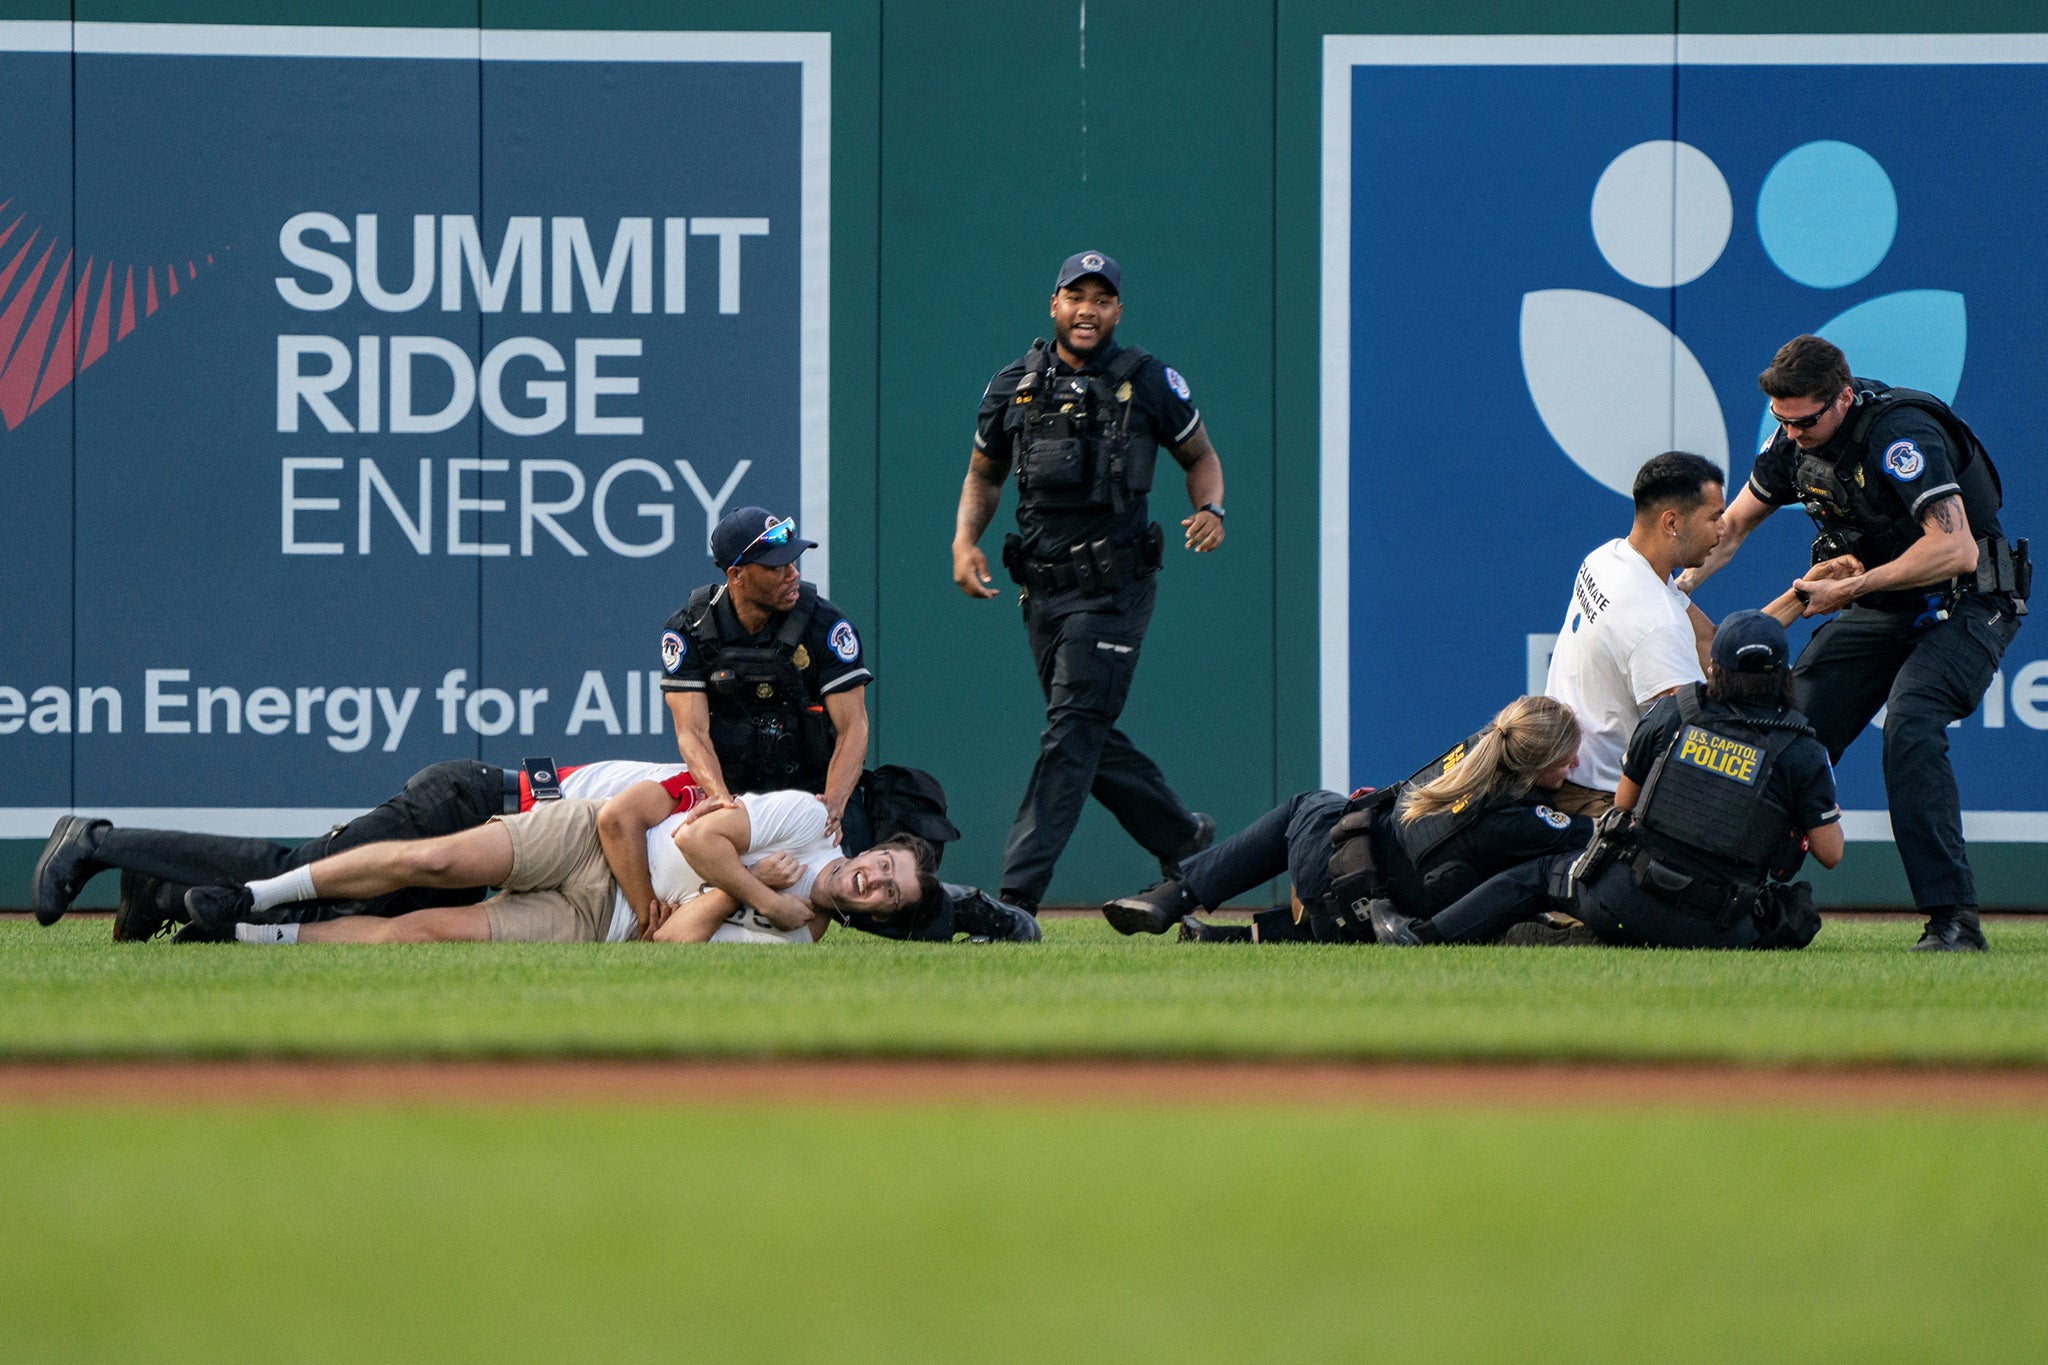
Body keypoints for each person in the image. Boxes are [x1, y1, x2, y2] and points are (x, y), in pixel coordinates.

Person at [1676, 335, 2027, 951]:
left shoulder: (1901, 434)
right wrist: (1674, 584)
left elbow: (1955, 547)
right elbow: (1729, 528)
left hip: (1968, 602)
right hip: (1881, 604)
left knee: (1912, 726)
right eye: (1782, 421)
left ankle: (1953, 922)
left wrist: (1856, 583)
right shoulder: (1792, 440)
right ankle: (1730, 898)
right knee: (1787, 732)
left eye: (1805, 420)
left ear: (1842, 398)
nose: (1793, 433)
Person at [950, 250, 1224, 914]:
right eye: (1077, 296)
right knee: (1084, 733)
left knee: (1072, 732)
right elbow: (984, 473)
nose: (1088, 309)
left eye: (1102, 299)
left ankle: (1016, 898)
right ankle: (1186, 839)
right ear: (1055, 304)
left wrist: (1210, 509)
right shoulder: (1013, 384)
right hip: (1042, 591)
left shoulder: (1150, 381)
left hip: (1115, 589)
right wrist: (964, 540)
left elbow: (1201, 456)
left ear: (1117, 311)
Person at [1372, 612, 1843, 951]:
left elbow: (1625, 805)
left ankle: (1424, 937)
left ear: (1714, 669)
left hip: (1626, 901)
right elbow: (1830, 853)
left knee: (1538, 876)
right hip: (1718, 928)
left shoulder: (1674, 712)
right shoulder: (1802, 749)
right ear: (1784, 675)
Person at [183, 785, 939, 946]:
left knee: (424, 930)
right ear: (870, 849)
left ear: (878, 915)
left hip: (593, 922)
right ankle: (250, 894)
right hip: (590, 840)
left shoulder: (803, 941)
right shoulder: (810, 821)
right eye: (882, 867)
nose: (873, 882)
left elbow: (669, 950)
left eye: (886, 896)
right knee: (435, 856)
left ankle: (243, 938)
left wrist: (729, 897)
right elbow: (690, 840)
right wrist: (754, 892)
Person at [30, 757, 695, 941]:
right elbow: (612, 825)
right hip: (469, 804)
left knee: (328, 920)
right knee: (295, 872)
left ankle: (163, 892)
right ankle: (96, 840)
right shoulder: (697, 791)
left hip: (495, 860)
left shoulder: (728, 830)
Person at [1101, 696, 1593, 942]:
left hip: (1337, 869)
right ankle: (1215, 927)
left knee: (1308, 806)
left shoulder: (1472, 753)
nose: (1574, 767)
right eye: (1567, 758)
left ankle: (1177, 898)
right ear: (1534, 763)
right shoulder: (1529, 821)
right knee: (1332, 853)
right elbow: (1594, 834)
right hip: (1371, 917)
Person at [1542, 451, 1853, 819]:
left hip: (1575, 780)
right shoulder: (1654, 623)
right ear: (1672, 522)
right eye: (1714, 517)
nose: (1723, 529)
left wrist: (1801, 595)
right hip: (1602, 802)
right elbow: (1694, 738)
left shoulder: (1611, 559)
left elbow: (1713, 645)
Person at [661, 506, 872, 846]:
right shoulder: (691, 629)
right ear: (736, 574)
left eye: (793, 561)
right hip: (739, 797)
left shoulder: (827, 625)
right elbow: (692, 732)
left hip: (816, 793)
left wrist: (831, 809)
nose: (793, 574)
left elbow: (854, 727)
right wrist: (722, 802)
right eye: (777, 566)